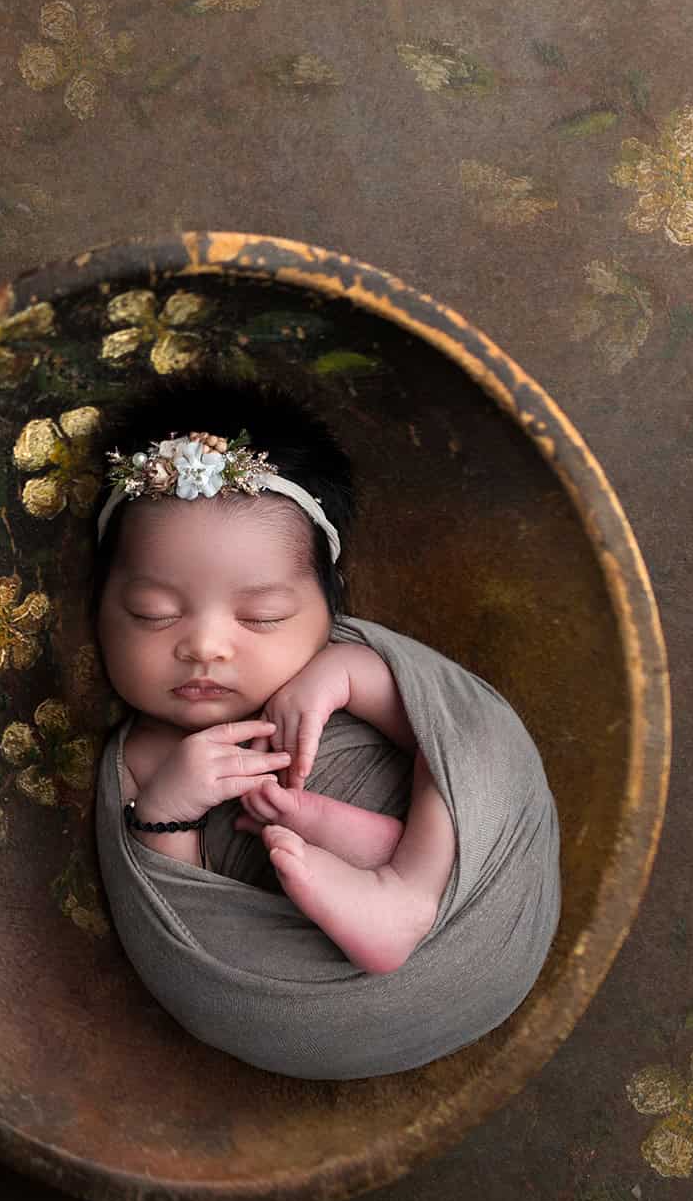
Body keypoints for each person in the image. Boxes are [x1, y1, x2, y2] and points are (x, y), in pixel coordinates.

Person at [92, 384, 452, 977]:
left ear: (330, 611)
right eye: (153, 613)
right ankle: (382, 868)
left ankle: (409, 887)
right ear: (99, 610)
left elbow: (447, 733)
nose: (205, 646)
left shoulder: (340, 666)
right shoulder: (141, 758)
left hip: (443, 871)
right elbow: (191, 920)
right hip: (301, 959)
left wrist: (347, 674)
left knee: (457, 751)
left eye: (262, 618)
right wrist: (166, 817)